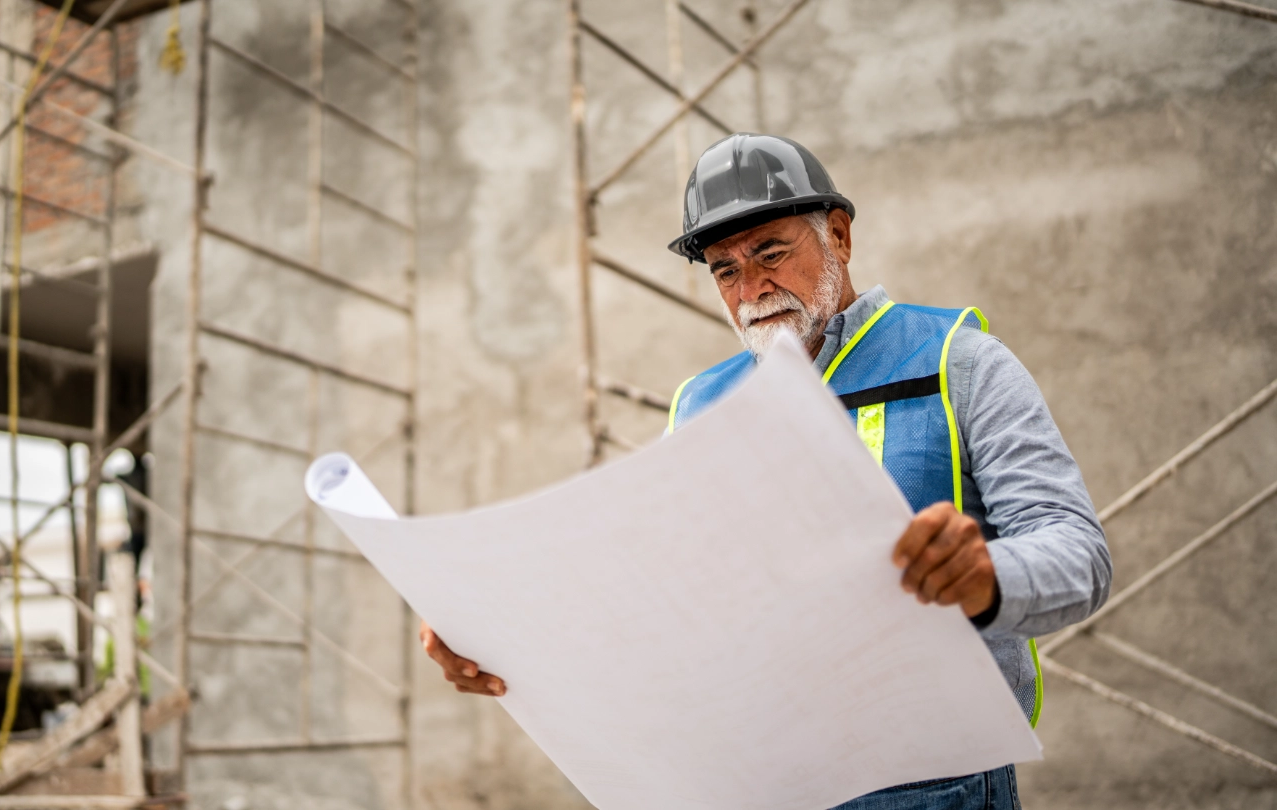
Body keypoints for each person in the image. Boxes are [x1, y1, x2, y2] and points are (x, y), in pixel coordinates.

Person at [420, 134, 1111, 810]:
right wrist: (491, 630)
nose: (750, 288)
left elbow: (1078, 556)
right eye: (724, 269)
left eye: (770, 253)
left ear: (838, 235)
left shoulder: (959, 361)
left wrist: (984, 577)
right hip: (762, 784)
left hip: (932, 784)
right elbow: (654, 597)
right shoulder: (700, 405)